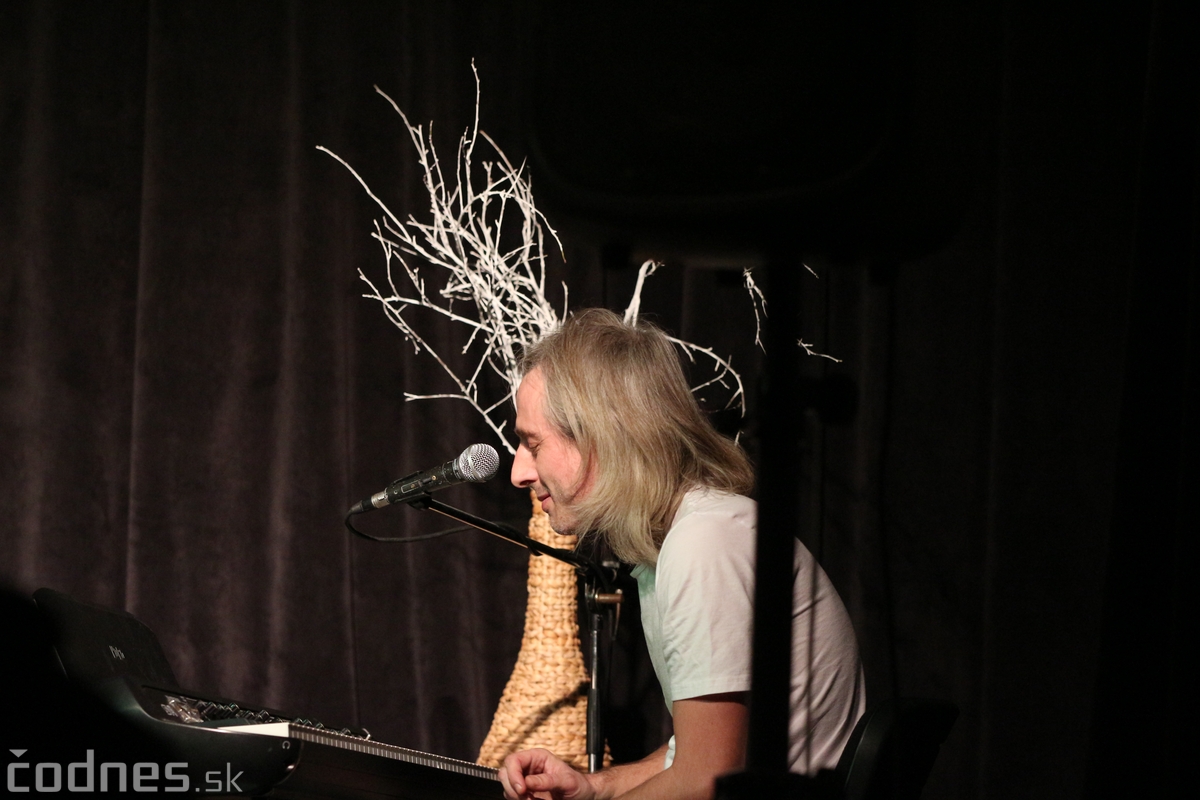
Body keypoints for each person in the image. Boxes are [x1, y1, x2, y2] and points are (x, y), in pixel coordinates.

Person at [500, 309, 865, 800]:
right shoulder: (690, 536)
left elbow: (704, 781)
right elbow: (694, 756)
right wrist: (594, 788)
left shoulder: (704, 544)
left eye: (532, 444)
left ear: (602, 435)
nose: (518, 473)